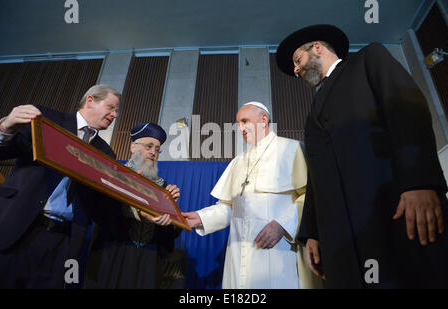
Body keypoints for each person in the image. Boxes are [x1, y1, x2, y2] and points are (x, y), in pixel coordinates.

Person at [276, 24, 448, 288]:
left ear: (318, 48)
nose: (296, 71)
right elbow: (318, 176)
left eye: (297, 61)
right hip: (341, 239)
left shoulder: (369, 59)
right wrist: (313, 233)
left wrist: (419, 182)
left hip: (394, 211)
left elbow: (408, 111)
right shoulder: (312, 115)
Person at [182, 102, 319, 289]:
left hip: (279, 251)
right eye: (238, 123)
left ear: (264, 120)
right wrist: (201, 218)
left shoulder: (292, 149)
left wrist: (282, 224)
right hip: (238, 255)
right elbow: (230, 207)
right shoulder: (238, 162)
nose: (241, 128)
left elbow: (310, 197)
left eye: (245, 121)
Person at [0, 84, 122, 288]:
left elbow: (99, 206)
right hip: (18, 227)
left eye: (117, 110)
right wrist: (4, 127)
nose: (115, 114)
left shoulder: (106, 154)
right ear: (90, 100)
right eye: (111, 107)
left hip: (63, 242)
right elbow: (3, 151)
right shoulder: (45, 119)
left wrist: (123, 190)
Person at [84, 122, 183, 289]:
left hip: (148, 261)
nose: (153, 152)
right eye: (149, 146)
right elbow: (100, 212)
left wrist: (171, 209)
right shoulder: (114, 174)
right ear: (132, 146)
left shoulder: (163, 186)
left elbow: (167, 236)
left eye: (157, 149)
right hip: (113, 253)